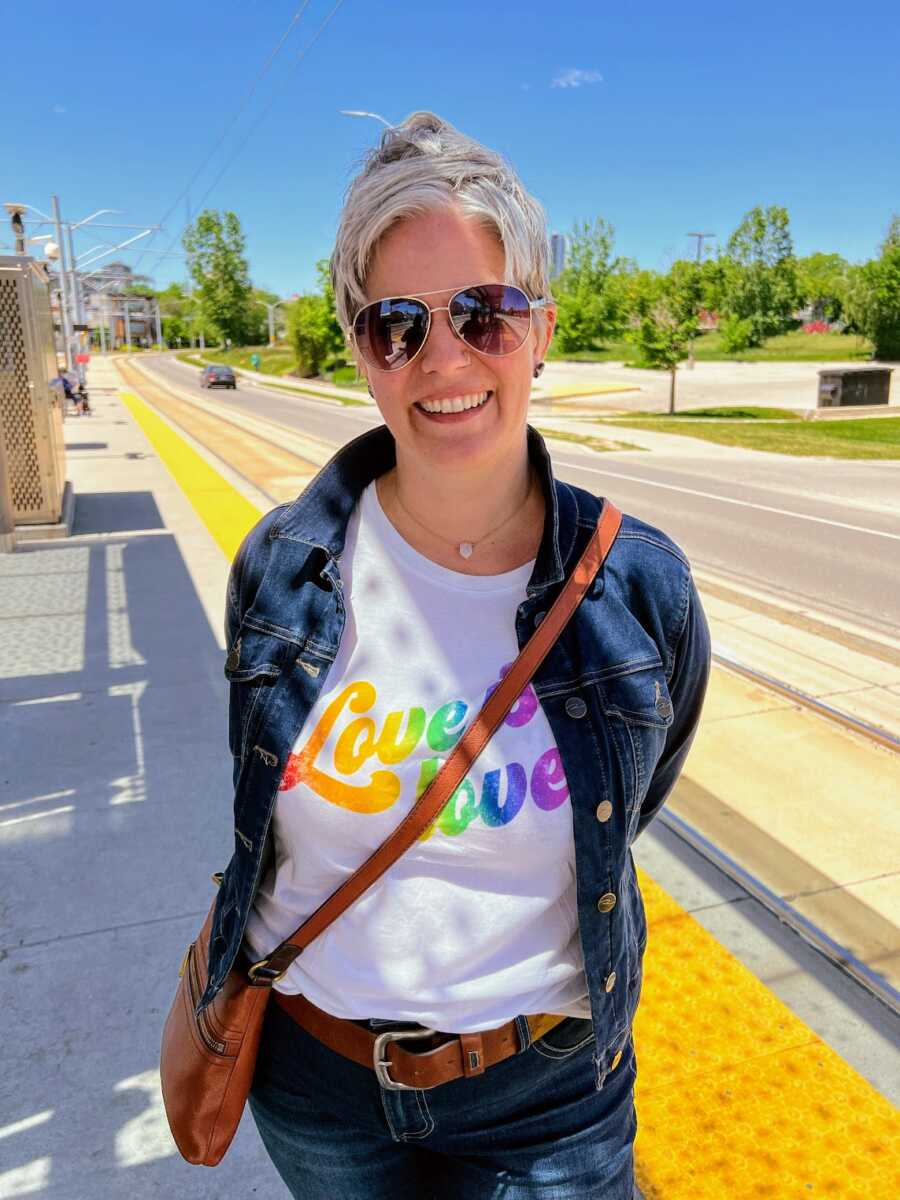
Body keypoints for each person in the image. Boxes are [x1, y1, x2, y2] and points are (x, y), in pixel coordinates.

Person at [202, 112, 711, 1198]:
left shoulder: (638, 586)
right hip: (314, 1080)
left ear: (542, 329)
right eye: (399, 324)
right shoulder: (280, 572)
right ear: (358, 349)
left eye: (485, 312)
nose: (446, 359)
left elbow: (635, 795)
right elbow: (260, 819)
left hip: (547, 1093)